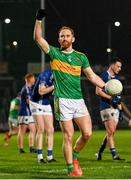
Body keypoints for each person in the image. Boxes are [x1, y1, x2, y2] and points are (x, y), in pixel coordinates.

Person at [33, 9, 105, 177]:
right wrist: (38, 20)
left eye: (67, 36)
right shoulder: (54, 54)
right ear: (59, 40)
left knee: (87, 133)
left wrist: (106, 87)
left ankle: (74, 157)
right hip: (62, 100)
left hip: (78, 100)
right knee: (68, 135)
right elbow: (38, 39)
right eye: (61, 36)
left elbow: (92, 76)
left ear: (73, 38)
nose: (64, 38)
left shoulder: (81, 57)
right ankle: (70, 169)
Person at [95, 57, 125, 161]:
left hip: (115, 108)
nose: (119, 68)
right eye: (118, 66)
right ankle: (114, 155)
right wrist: (111, 98)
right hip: (106, 107)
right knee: (111, 131)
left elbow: (118, 97)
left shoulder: (116, 80)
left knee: (110, 133)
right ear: (112, 65)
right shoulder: (103, 76)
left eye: (120, 67)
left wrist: (120, 110)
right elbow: (98, 91)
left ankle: (99, 152)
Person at [30, 69, 56, 163]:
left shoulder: (60, 75)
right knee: (41, 129)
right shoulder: (46, 74)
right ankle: (40, 157)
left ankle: (49, 156)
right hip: (36, 102)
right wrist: (54, 86)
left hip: (46, 103)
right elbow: (41, 91)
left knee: (50, 129)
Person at [17, 73, 37, 153]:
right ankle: (20, 149)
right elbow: (28, 101)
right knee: (22, 131)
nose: (34, 80)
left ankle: (31, 147)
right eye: (33, 79)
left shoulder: (30, 88)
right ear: (30, 79)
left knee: (33, 130)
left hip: (30, 113)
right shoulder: (26, 88)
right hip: (24, 112)